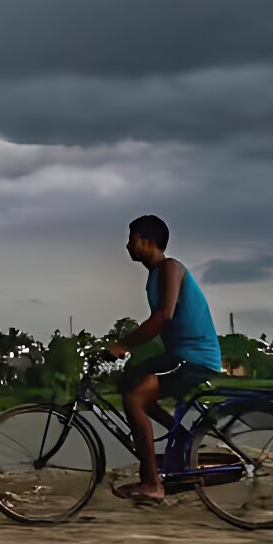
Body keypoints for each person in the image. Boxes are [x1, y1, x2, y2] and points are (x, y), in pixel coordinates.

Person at [104, 213, 222, 501]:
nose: (128, 246)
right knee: (128, 381)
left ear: (148, 241)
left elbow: (162, 317)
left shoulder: (170, 268)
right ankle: (182, 438)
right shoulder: (154, 275)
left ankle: (152, 484)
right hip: (178, 354)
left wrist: (125, 344)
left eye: (131, 239)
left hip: (193, 358)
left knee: (134, 397)